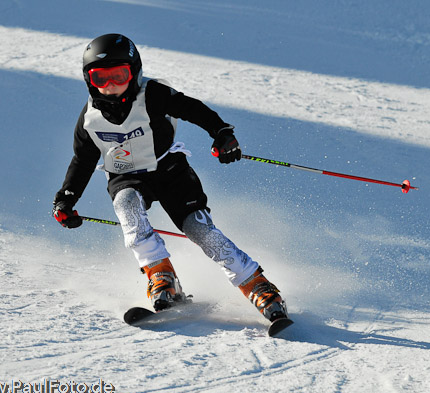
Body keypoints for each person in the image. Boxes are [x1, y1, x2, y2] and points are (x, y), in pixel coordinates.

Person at [52, 33, 288, 323]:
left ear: (134, 71)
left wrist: (222, 133)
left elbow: (193, 109)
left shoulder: (152, 94)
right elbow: (83, 160)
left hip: (170, 171)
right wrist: (66, 199)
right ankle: (160, 275)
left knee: (199, 230)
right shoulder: (90, 119)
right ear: (89, 80)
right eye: (101, 78)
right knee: (127, 206)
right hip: (125, 175)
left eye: (119, 75)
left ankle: (257, 285)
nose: (111, 85)